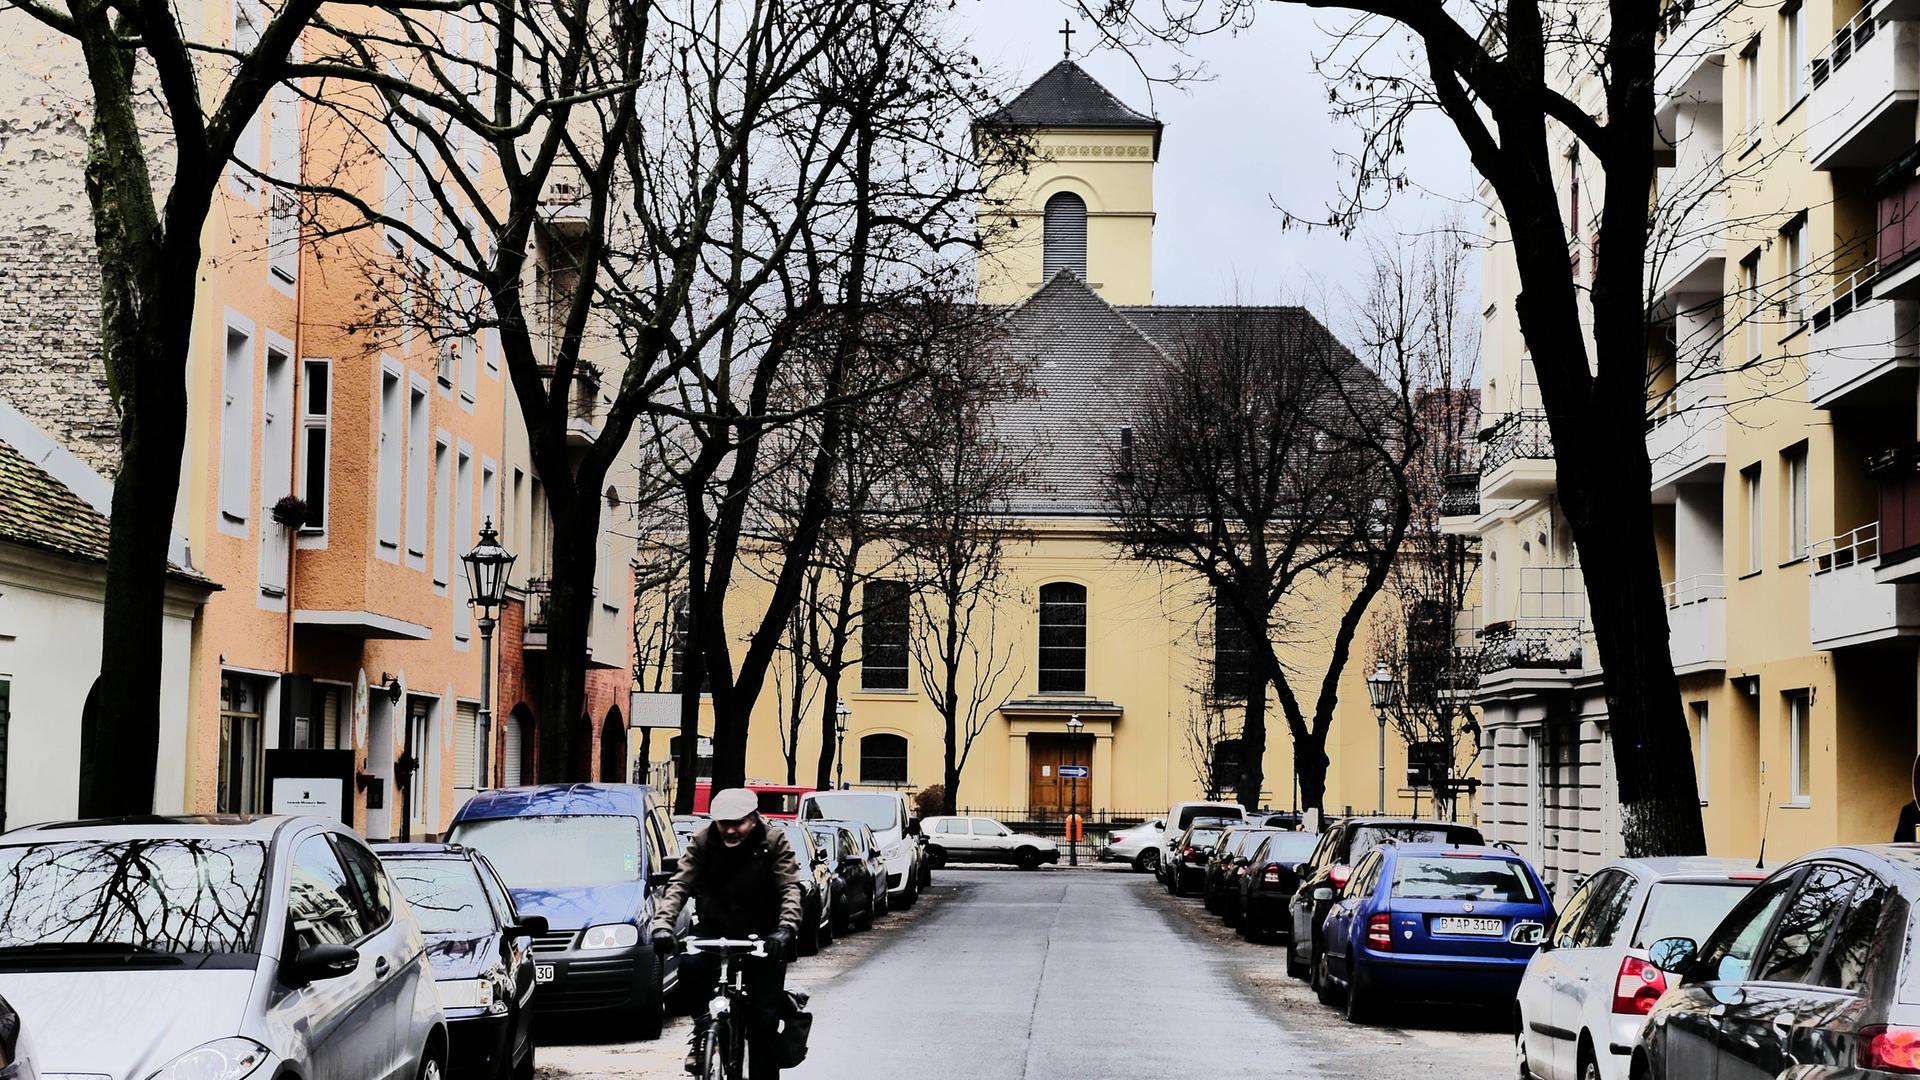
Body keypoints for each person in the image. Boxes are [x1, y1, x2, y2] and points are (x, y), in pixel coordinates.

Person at [651, 788, 804, 1078]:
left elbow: (789, 887)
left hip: (764, 932)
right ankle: (702, 1028)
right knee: (690, 966)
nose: (730, 830)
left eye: (738, 823)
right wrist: (662, 926)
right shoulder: (703, 841)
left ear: (754, 819)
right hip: (716, 925)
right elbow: (679, 885)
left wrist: (786, 928)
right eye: (724, 823)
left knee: (763, 1020)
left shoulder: (773, 842)